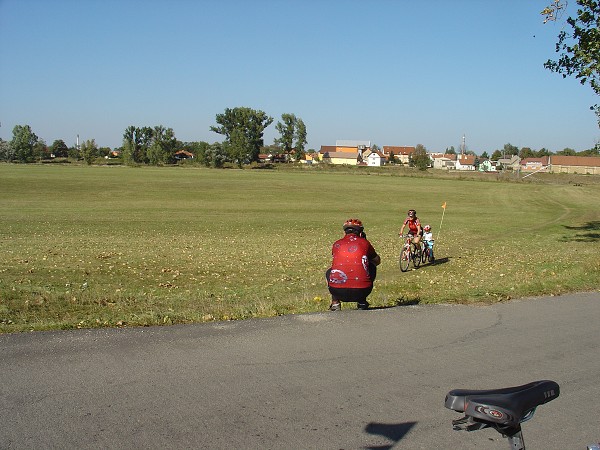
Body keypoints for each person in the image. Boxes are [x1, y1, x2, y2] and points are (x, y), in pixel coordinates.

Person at [326, 218, 381, 311]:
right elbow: (377, 260)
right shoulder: (365, 243)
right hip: (362, 291)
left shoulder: (337, 244)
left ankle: (335, 302)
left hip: (336, 290)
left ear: (344, 232)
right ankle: (362, 301)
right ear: (360, 233)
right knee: (371, 266)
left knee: (330, 271)